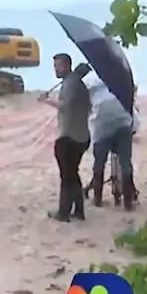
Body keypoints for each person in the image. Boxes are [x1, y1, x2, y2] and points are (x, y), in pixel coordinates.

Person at [84, 75, 137, 211]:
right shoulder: (121, 75)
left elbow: (86, 105)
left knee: (99, 164)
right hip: (123, 123)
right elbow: (133, 93)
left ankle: (98, 199)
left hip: (102, 127)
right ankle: (128, 203)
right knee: (126, 163)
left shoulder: (89, 81)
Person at [49, 52, 91, 222]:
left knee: (66, 176)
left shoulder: (71, 84)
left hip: (70, 136)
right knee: (72, 174)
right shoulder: (76, 83)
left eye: (58, 66)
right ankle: (79, 210)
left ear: (66, 65)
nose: (56, 70)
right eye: (55, 67)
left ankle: (64, 212)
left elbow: (65, 106)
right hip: (81, 134)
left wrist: (47, 101)